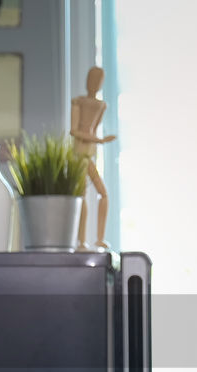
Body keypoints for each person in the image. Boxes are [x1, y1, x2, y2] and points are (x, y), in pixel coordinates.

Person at [69, 66, 117, 251]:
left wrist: (98, 142)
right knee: (81, 197)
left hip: (89, 155)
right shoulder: (78, 102)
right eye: (93, 79)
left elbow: (93, 128)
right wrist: (100, 140)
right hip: (80, 155)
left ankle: (99, 238)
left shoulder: (101, 105)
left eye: (99, 80)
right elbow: (74, 131)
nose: (95, 84)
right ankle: (81, 241)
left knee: (103, 193)